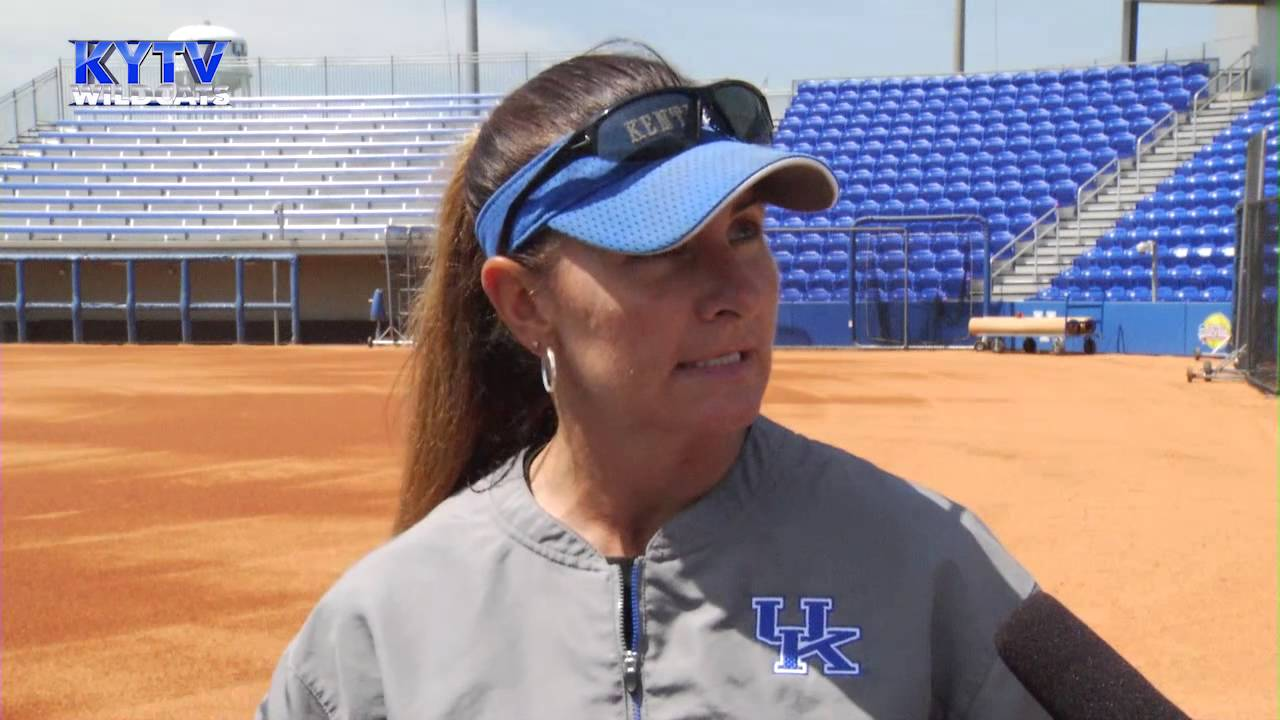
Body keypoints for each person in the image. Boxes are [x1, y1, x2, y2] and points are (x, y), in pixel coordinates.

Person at [255, 46, 1051, 719]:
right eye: (662, 249)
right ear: (525, 303)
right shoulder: (382, 630)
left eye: (744, 231)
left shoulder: (925, 565)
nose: (733, 291)